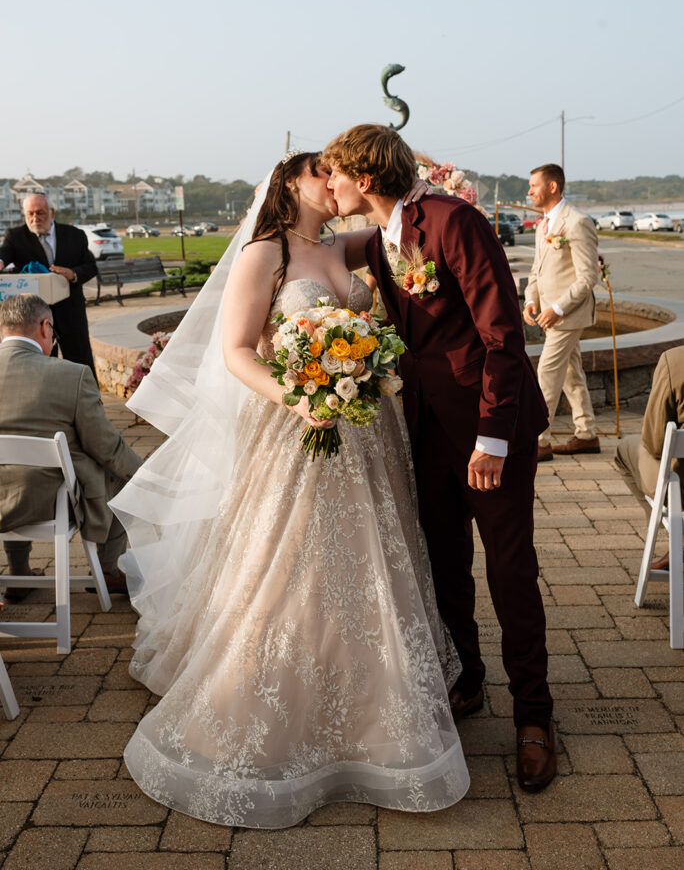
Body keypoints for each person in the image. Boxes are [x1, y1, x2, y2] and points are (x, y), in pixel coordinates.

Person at [110, 151, 469, 829]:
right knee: (293, 565)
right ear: (290, 184)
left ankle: (375, 704)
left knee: (371, 563)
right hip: (297, 429)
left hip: (367, 432)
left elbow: (399, 215)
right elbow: (238, 350)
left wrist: (437, 184)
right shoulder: (263, 253)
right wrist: (296, 397)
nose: (334, 184)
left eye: (339, 174)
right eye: (322, 174)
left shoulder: (341, 243)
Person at [324, 124, 556, 793]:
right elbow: (322, 246)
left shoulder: (456, 222)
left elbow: (502, 336)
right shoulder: (380, 234)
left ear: (364, 179)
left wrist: (492, 440)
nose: (331, 184)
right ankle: (468, 678)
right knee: (444, 561)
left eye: (335, 173)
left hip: (490, 429)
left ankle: (535, 718)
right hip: (423, 427)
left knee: (511, 569)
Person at [0, 294, 142, 599]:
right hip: (51, 504)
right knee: (114, 471)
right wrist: (144, 475)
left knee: (9, 472)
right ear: (45, 327)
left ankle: (19, 572)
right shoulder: (71, 374)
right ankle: (106, 569)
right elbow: (105, 446)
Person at [523, 164, 600, 461]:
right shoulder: (544, 224)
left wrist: (556, 309)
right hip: (551, 314)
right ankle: (587, 433)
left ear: (552, 187)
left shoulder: (578, 222)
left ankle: (539, 441)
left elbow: (587, 278)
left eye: (533, 185)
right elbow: (537, 270)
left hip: (568, 315)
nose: (529, 191)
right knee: (571, 373)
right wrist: (531, 301)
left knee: (547, 372)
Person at [0, 193, 97, 374]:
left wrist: (72, 273)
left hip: (71, 312)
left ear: (52, 212)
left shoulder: (75, 235)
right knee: (40, 369)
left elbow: (91, 266)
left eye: (40, 213)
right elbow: (4, 253)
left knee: (80, 363)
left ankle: (88, 401)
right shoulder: (15, 236)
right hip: (35, 318)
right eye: (30, 214)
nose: (35, 218)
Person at [614, 345, 684, 569]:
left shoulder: (675, 360)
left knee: (626, 449)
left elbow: (655, 444)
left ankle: (676, 541)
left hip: (681, 489)